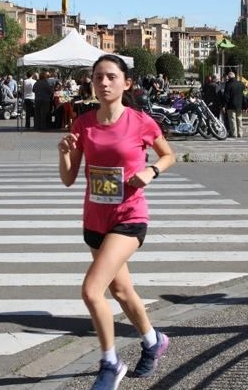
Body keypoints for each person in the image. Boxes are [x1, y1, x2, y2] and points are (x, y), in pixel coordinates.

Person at [58, 54, 175, 389]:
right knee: (122, 290)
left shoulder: (140, 122)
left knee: (92, 290)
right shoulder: (83, 123)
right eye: (98, 77)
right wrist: (64, 152)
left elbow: (169, 155)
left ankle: (110, 363)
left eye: (111, 77)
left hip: (129, 218)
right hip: (95, 220)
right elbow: (68, 178)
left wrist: (151, 170)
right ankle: (154, 340)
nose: (104, 83)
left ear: (127, 83)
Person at [224, 71, 245, 137]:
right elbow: (244, 94)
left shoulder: (228, 84)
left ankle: (234, 133)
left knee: (232, 119)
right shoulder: (241, 84)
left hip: (231, 105)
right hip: (239, 105)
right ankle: (240, 133)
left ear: (229, 77)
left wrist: (225, 104)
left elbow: (226, 96)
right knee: (239, 119)